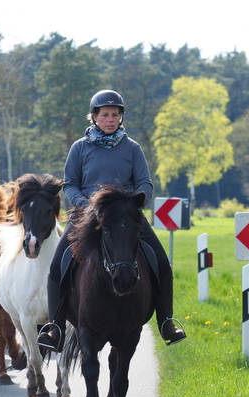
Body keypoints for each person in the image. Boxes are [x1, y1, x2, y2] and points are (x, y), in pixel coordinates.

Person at [37, 89, 187, 352]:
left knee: (161, 263)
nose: (110, 119)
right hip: (86, 217)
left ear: (120, 117)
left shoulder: (132, 148)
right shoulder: (79, 148)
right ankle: (56, 327)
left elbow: (145, 184)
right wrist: (88, 206)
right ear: (94, 117)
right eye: (104, 115)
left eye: (114, 115)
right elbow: (71, 185)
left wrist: (134, 203)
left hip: (126, 218)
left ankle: (166, 321)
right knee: (57, 267)